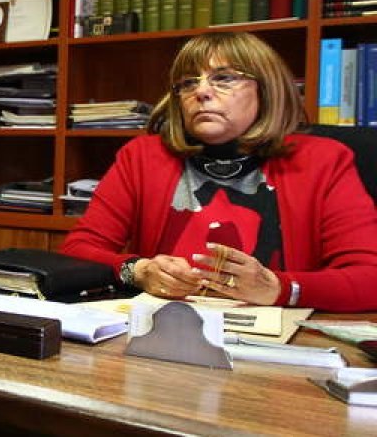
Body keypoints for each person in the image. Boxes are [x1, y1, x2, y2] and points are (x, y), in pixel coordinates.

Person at [61, 31, 377, 312]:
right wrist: (138, 270)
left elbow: (369, 279)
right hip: (164, 334)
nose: (201, 92)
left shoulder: (324, 161)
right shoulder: (142, 157)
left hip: (274, 346)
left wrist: (279, 288)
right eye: (188, 82)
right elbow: (77, 251)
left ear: (266, 90)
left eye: (223, 78)